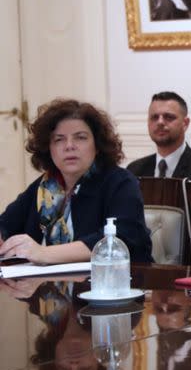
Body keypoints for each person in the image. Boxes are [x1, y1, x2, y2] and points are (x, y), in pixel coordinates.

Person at [0, 99, 153, 263]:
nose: (69, 146)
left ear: (98, 144)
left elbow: (123, 238)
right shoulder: (45, 186)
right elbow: (6, 224)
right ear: (48, 148)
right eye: (59, 139)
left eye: (80, 137)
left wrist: (44, 253)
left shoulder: (120, 182)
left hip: (118, 283)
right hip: (46, 285)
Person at [126, 91, 191, 255]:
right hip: (140, 258)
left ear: (185, 123)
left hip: (188, 262)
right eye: (154, 117)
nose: (160, 122)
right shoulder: (134, 170)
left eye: (168, 117)